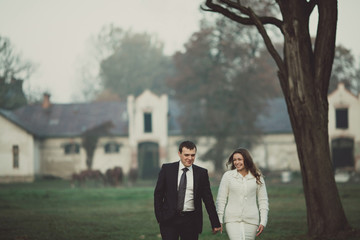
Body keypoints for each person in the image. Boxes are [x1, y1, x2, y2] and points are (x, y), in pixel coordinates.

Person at [154, 140, 222, 240]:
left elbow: (208, 200)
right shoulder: (167, 169)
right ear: (179, 154)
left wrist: (215, 222)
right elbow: (158, 194)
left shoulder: (201, 173)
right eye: (186, 155)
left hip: (191, 221)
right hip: (169, 220)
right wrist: (160, 217)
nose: (190, 158)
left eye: (193, 155)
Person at [216, 148, 269, 240]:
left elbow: (263, 200)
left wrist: (263, 221)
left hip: (252, 220)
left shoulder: (257, 176)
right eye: (234, 160)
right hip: (232, 220)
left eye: (239, 159)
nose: (236, 162)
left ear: (246, 159)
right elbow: (221, 199)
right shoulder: (228, 176)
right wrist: (219, 219)